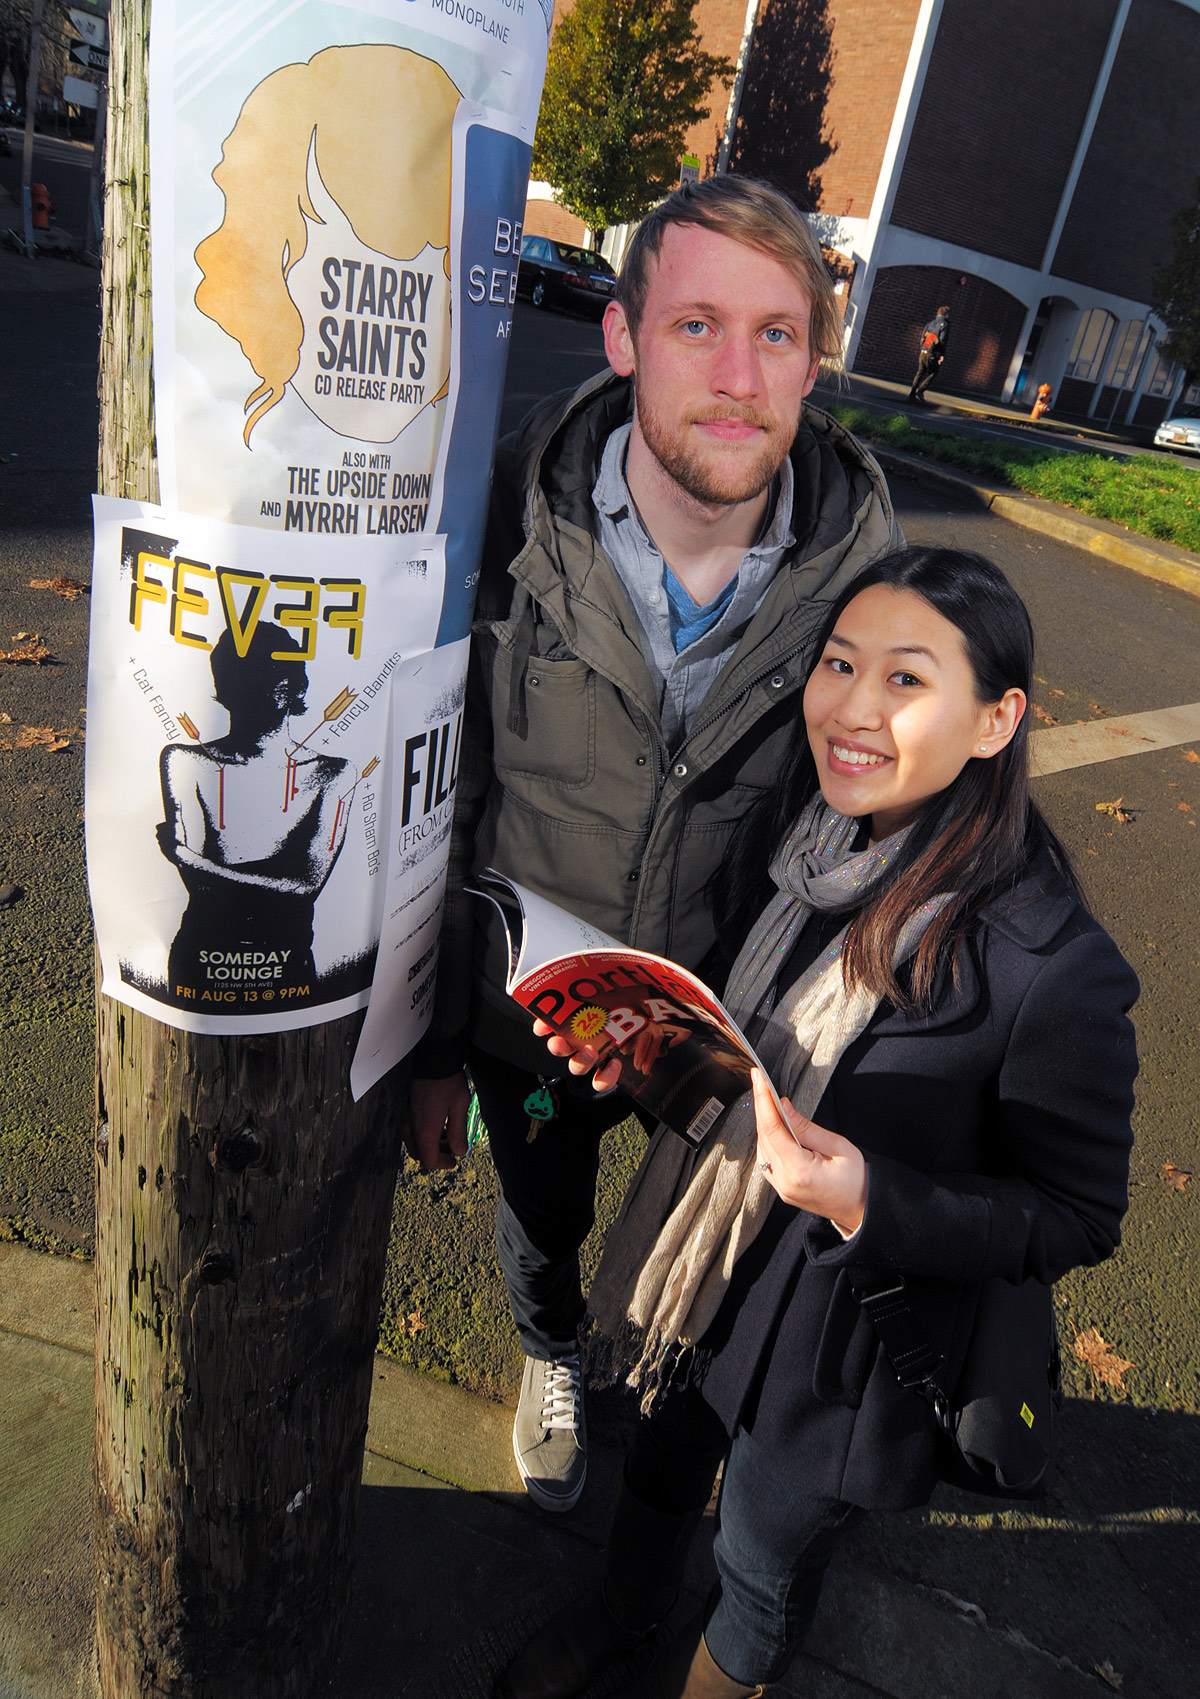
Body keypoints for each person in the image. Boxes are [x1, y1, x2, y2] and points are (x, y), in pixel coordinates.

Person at [497, 546, 1138, 1699]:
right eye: (839, 663)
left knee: (760, 1564)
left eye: (906, 678)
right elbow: (737, 1048)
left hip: (850, 1339)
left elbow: (1075, 1214)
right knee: (659, 1457)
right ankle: (621, 1614)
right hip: (710, 1262)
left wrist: (868, 1196)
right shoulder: (804, 840)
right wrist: (634, 1047)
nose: (851, 707)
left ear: (997, 721)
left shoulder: (1053, 963)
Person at [409, 175, 903, 1512]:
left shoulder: (872, 587)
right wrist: (438, 1041)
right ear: (623, 335)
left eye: (777, 333)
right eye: (696, 326)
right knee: (546, 1210)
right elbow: (442, 782)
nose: (740, 377)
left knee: (708, 1238)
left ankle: (679, 1392)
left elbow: (893, 829)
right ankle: (549, 1348)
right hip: (530, 1018)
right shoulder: (506, 513)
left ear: (816, 359)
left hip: (732, 1024)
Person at [156, 622, 356, 1009]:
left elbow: (305, 888)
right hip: (200, 956)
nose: (253, 684)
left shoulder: (334, 773)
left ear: (297, 686)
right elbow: (199, 886)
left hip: (290, 961)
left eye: (268, 671)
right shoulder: (183, 760)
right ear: (222, 684)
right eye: (239, 672)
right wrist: (196, 867)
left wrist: (189, 859)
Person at [907, 305, 951, 404]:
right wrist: (941, 354)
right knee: (934, 372)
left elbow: (923, 337)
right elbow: (942, 341)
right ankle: (921, 390)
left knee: (920, 372)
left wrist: (923, 347)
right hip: (933, 353)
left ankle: (912, 394)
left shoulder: (930, 323)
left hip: (923, 351)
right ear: (946, 314)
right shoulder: (944, 324)